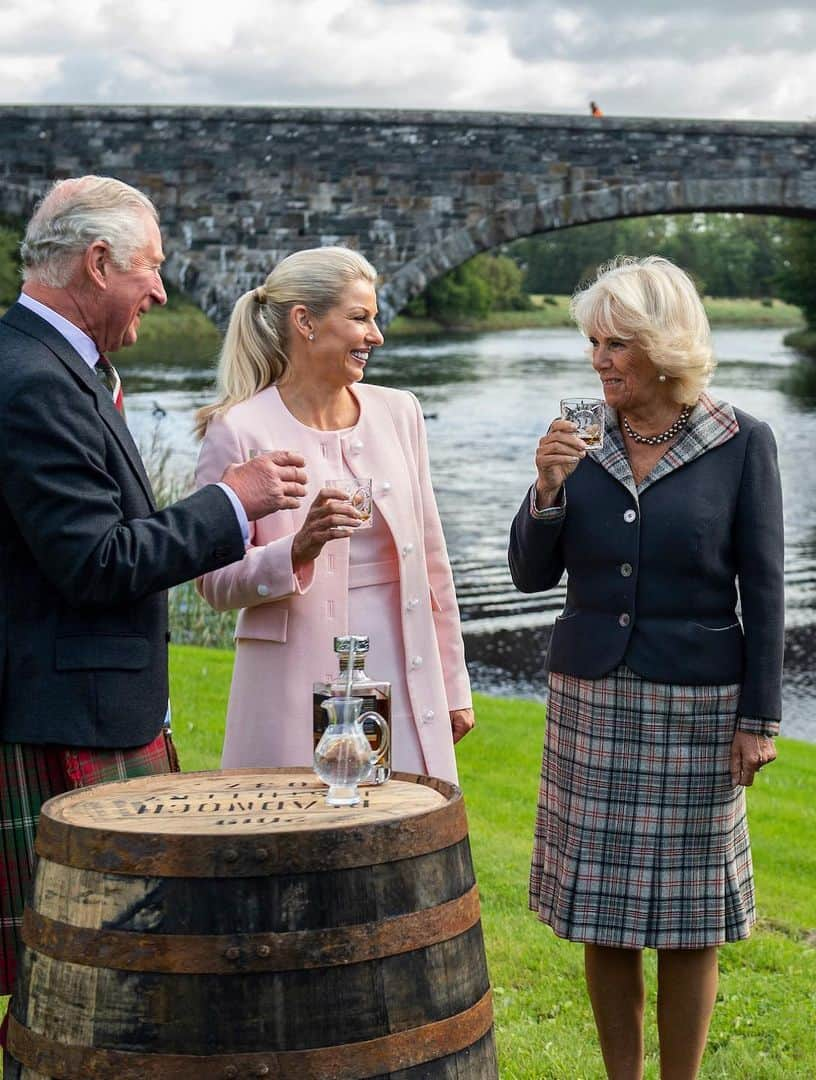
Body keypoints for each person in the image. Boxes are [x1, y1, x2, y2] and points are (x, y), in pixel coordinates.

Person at [0, 176, 306, 1005]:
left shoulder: (53, 363)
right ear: (99, 263)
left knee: (76, 976)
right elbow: (94, 562)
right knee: (78, 982)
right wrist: (229, 504)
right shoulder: (33, 379)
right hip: (66, 720)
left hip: (83, 708)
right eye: (152, 268)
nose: (163, 291)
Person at [509, 255, 783, 1078]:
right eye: (594, 342)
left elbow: (765, 591)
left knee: (692, 917)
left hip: (699, 704)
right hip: (593, 698)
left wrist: (758, 719)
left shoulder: (742, 441)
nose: (600, 360)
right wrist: (547, 490)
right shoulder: (580, 438)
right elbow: (529, 575)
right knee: (605, 913)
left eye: (617, 343)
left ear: (665, 345)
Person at [193, 247, 473, 783]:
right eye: (360, 317)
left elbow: (433, 562)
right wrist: (296, 549)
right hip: (288, 685)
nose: (376, 335)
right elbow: (212, 583)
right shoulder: (238, 430)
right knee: (295, 842)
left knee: (401, 839)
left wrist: (454, 686)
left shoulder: (401, 412)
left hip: (403, 672)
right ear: (306, 322)